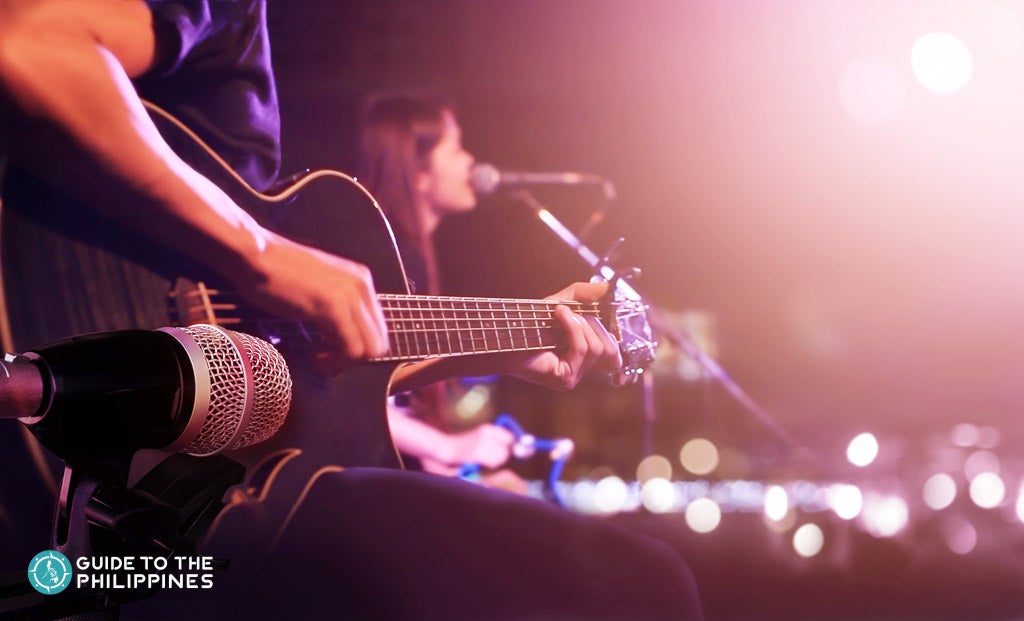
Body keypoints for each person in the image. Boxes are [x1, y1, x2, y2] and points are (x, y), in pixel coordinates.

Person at [0, 2, 703, 619]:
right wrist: (264, 253)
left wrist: (507, 343)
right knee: (643, 581)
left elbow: (320, 373)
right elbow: (29, 45)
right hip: (131, 450)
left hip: (152, 512)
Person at [355, 92, 522, 489]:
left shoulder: (407, 256)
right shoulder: (382, 258)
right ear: (418, 171)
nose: (470, 161)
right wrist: (450, 448)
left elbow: (393, 400)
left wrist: (444, 468)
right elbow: (350, 394)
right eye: (457, 148)